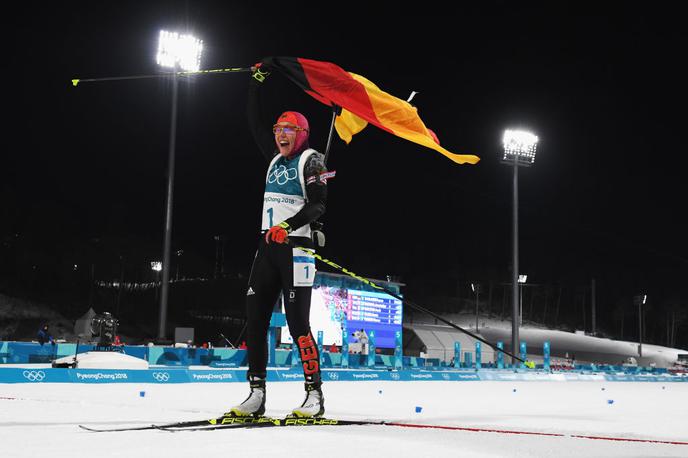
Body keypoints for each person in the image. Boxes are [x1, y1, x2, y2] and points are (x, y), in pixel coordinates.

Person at [228, 62, 328, 419]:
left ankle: (314, 396)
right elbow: (253, 121)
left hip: (296, 250)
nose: (280, 135)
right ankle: (256, 394)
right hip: (267, 249)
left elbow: (318, 206)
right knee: (254, 319)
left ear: (301, 132)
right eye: (278, 129)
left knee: (298, 323)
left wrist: (289, 225)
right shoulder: (272, 159)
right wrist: (255, 84)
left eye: (288, 129)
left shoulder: (313, 160)